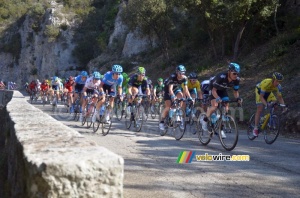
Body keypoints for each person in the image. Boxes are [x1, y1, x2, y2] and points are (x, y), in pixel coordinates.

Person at [201, 63, 242, 139]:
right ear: (229, 72)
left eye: (237, 74)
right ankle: (205, 120)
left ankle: (221, 129)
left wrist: (238, 99)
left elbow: (235, 92)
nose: (236, 75)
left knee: (226, 107)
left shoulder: (236, 80)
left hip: (222, 90)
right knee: (215, 105)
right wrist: (217, 98)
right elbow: (214, 91)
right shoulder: (221, 77)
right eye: (234, 73)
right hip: (213, 89)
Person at [159, 65, 193, 131]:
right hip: (167, 90)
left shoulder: (185, 78)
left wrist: (190, 97)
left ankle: (179, 114)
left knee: (181, 97)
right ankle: (162, 121)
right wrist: (173, 96)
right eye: (180, 73)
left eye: (183, 73)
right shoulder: (172, 77)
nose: (182, 74)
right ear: (177, 72)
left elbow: (186, 90)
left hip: (176, 89)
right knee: (168, 106)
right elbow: (170, 89)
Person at [252, 72, 287, 136]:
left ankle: (269, 117)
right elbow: (261, 97)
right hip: (259, 92)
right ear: (273, 79)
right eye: (277, 81)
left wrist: (284, 107)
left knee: (275, 103)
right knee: (260, 108)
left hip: (268, 92)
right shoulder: (266, 83)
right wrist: (266, 104)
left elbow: (280, 97)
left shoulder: (278, 86)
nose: (278, 83)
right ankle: (255, 128)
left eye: (279, 82)